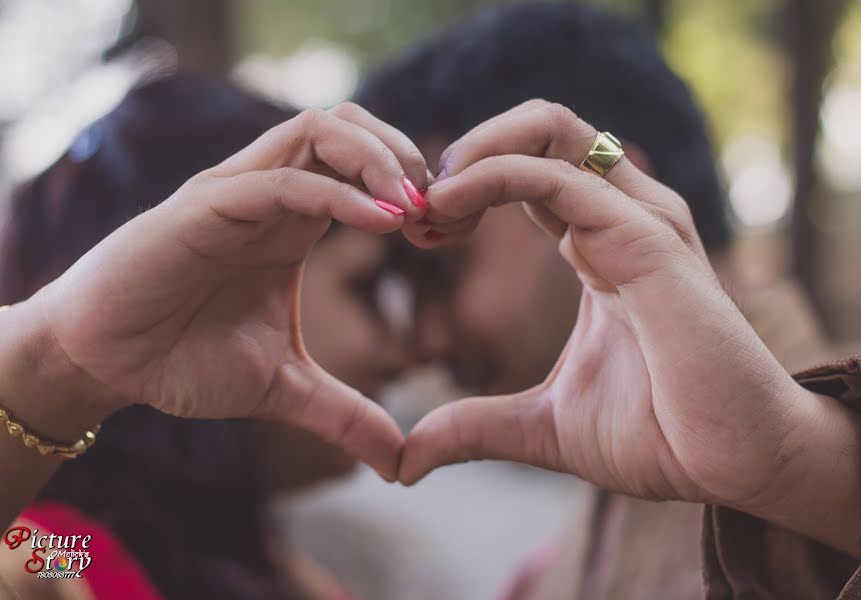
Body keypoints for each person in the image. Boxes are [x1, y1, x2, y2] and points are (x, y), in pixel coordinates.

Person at [356, 3, 835, 598]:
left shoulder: (805, 485)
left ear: (601, 192)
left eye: (445, 270)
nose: (422, 341)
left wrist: (806, 470)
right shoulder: (598, 509)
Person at [0, 74, 429, 600]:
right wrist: (58, 361)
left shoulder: (266, 562)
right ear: (215, 293)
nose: (402, 353)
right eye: (364, 290)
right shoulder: (56, 553)